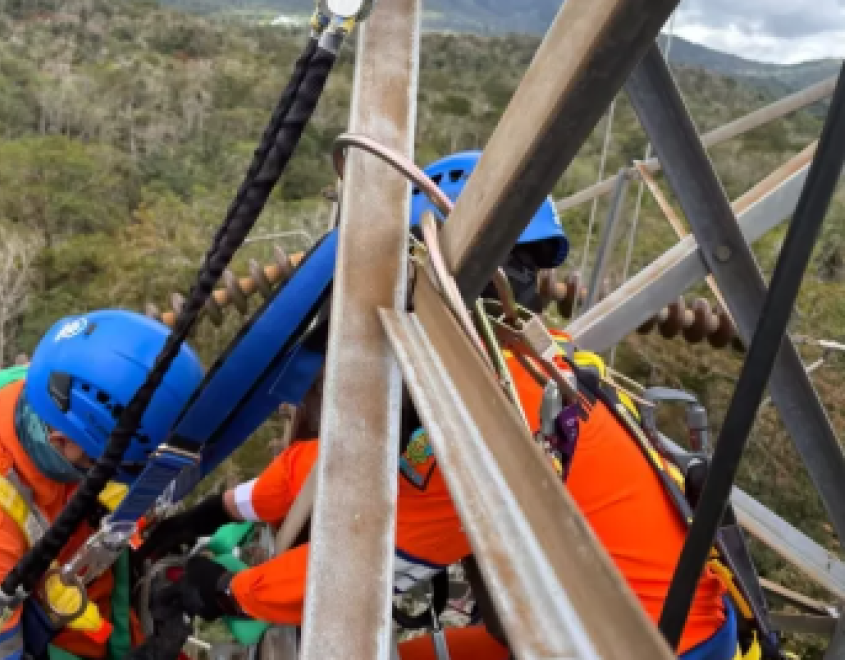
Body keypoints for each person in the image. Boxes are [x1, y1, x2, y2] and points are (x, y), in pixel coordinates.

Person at [133, 151, 737, 660]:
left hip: (644, 644)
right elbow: (344, 466)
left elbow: (359, 575)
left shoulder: (483, 414)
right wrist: (217, 509)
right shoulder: (528, 360)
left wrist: (226, 591)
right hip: (609, 622)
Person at [0, 309, 204, 660]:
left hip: (91, 614)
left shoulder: (48, 391)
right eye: (123, 467)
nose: (124, 476)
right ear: (63, 441)